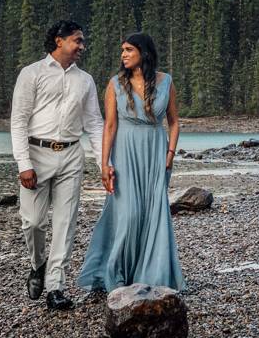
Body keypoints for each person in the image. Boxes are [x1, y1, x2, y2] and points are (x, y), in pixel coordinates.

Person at [76, 31, 184, 294]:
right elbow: (109, 126)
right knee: (129, 214)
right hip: (125, 153)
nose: (123, 55)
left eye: (128, 50)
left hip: (156, 154)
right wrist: (105, 164)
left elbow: (173, 122)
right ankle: (116, 274)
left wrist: (170, 155)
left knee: (154, 213)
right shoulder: (115, 84)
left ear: (143, 53)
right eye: (122, 50)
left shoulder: (165, 81)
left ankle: (152, 274)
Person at [8, 20, 103, 312]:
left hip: (72, 155)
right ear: (59, 41)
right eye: (77, 40)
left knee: (65, 223)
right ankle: (38, 264)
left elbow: (94, 124)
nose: (82, 47)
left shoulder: (85, 80)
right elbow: (19, 121)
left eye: (82, 41)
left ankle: (56, 287)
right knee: (33, 222)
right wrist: (24, 163)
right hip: (37, 154)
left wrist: (102, 163)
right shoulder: (31, 73)